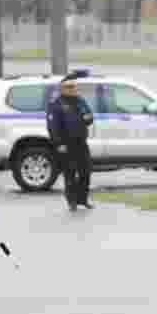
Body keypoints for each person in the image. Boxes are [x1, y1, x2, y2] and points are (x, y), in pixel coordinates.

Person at [46, 73, 95, 211]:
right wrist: (58, 144)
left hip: (81, 142)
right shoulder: (56, 104)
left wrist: (88, 118)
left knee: (85, 172)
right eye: (68, 87)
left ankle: (82, 199)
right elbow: (53, 126)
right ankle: (72, 201)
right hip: (66, 144)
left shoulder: (80, 101)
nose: (72, 89)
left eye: (74, 86)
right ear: (62, 88)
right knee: (70, 174)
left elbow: (89, 116)